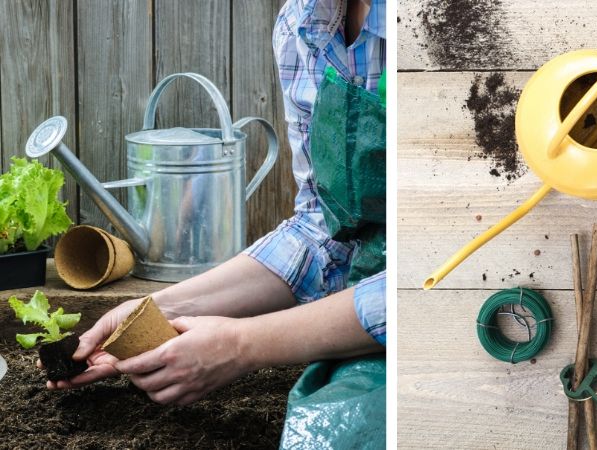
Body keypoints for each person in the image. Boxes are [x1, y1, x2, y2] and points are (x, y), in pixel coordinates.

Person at [44, 0, 387, 445]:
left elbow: (431, 277)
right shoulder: (301, 25)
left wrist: (242, 344)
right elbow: (323, 234)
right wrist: (159, 313)